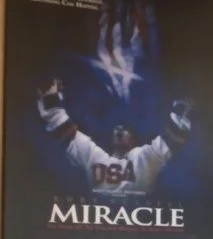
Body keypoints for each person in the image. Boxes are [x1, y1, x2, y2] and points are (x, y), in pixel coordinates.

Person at [36, 78, 192, 197]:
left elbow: (172, 139)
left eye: (125, 130)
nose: (119, 130)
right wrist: (51, 98)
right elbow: (65, 131)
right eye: (116, 129)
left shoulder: (144, 156)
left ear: (133, 140)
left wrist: (182, 106)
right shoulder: (94, 156)